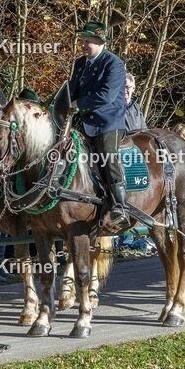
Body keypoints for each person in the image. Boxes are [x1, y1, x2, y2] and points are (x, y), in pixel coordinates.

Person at [67, 21, 131, 230]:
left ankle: (120, 206)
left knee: (107, 154)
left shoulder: (114, 64)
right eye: (82, 41)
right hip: (82, 120)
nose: (83, 45)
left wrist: (78, 104)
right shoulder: (80, 63)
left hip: (108, 121)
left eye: (88, 41)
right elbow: (70, 91)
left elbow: (106, 96)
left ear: (100, 42)